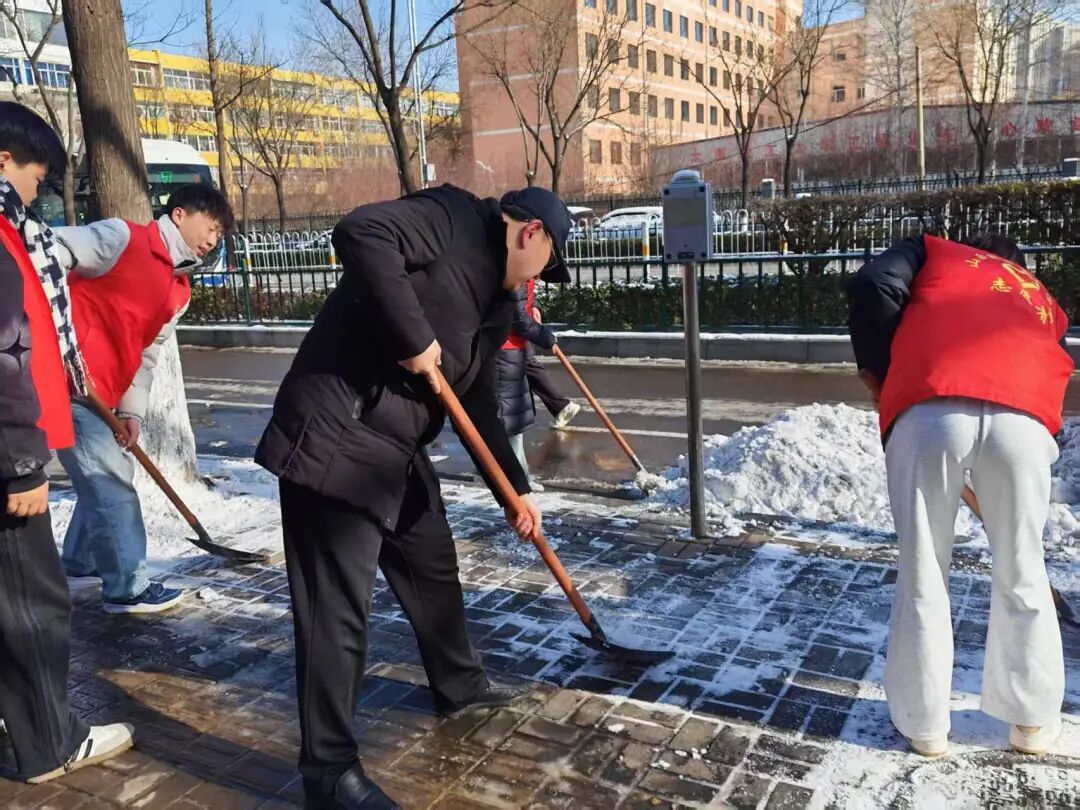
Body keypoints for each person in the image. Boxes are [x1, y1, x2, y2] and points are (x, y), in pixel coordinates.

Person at [254, 183, 572, 808]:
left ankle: (459, 684)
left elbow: (476, 403)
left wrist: (515, 490)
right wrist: (413, 336)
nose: (541, 277)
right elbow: (360, 231)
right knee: (336, 609)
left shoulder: (497, 304)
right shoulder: (453, 218)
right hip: (336, 433)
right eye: (547, 263)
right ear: (530, 232)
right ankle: (329, 773)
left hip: (393, 447)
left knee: (431, 562)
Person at [848, 232, 1070, 758]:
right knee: (1023, 568)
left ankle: (924, 725)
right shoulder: (1036, 293)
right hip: (1022, 419)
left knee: (924, 568)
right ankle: (1033, 722)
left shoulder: (932, 253)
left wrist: (886, 372)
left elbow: (874, 283)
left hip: (931, 410)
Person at [0, 101, 133, 783]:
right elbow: (4, 350)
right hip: (6, 462)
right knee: (32, 601)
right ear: (3, 160)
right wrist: (23, 463)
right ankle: (49, 743)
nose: (36, 193)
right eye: (34, 177)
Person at [51, 183, 233, 614]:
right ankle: (127, 587)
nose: (212, 241)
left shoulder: (178, 289)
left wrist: (131, 411)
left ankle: (79, 560)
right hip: (70, 382)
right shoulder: (122, 239)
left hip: (106, 393)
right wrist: (52, 327)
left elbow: (146, 353)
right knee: (111, 480)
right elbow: (49, 250)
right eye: (210, 227)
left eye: (219, 235)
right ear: (179, 215)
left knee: (108, 475)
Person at [497, 277, 558, 491]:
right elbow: (518, 319)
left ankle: (519, 478)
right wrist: (546, 337)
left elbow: (524, 303)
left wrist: (535, 307)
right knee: (511, 422)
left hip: (514, 350)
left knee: (515, 422)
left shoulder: (525, 272)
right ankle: (518, 481)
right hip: (504, 351)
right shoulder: (515, 272)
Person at [525, 304, 580, 429]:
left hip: (513, 320)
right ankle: (559, 406)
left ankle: (561, 406)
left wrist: (534, 307)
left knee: (525, 365)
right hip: (514, 318)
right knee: (523, 367)